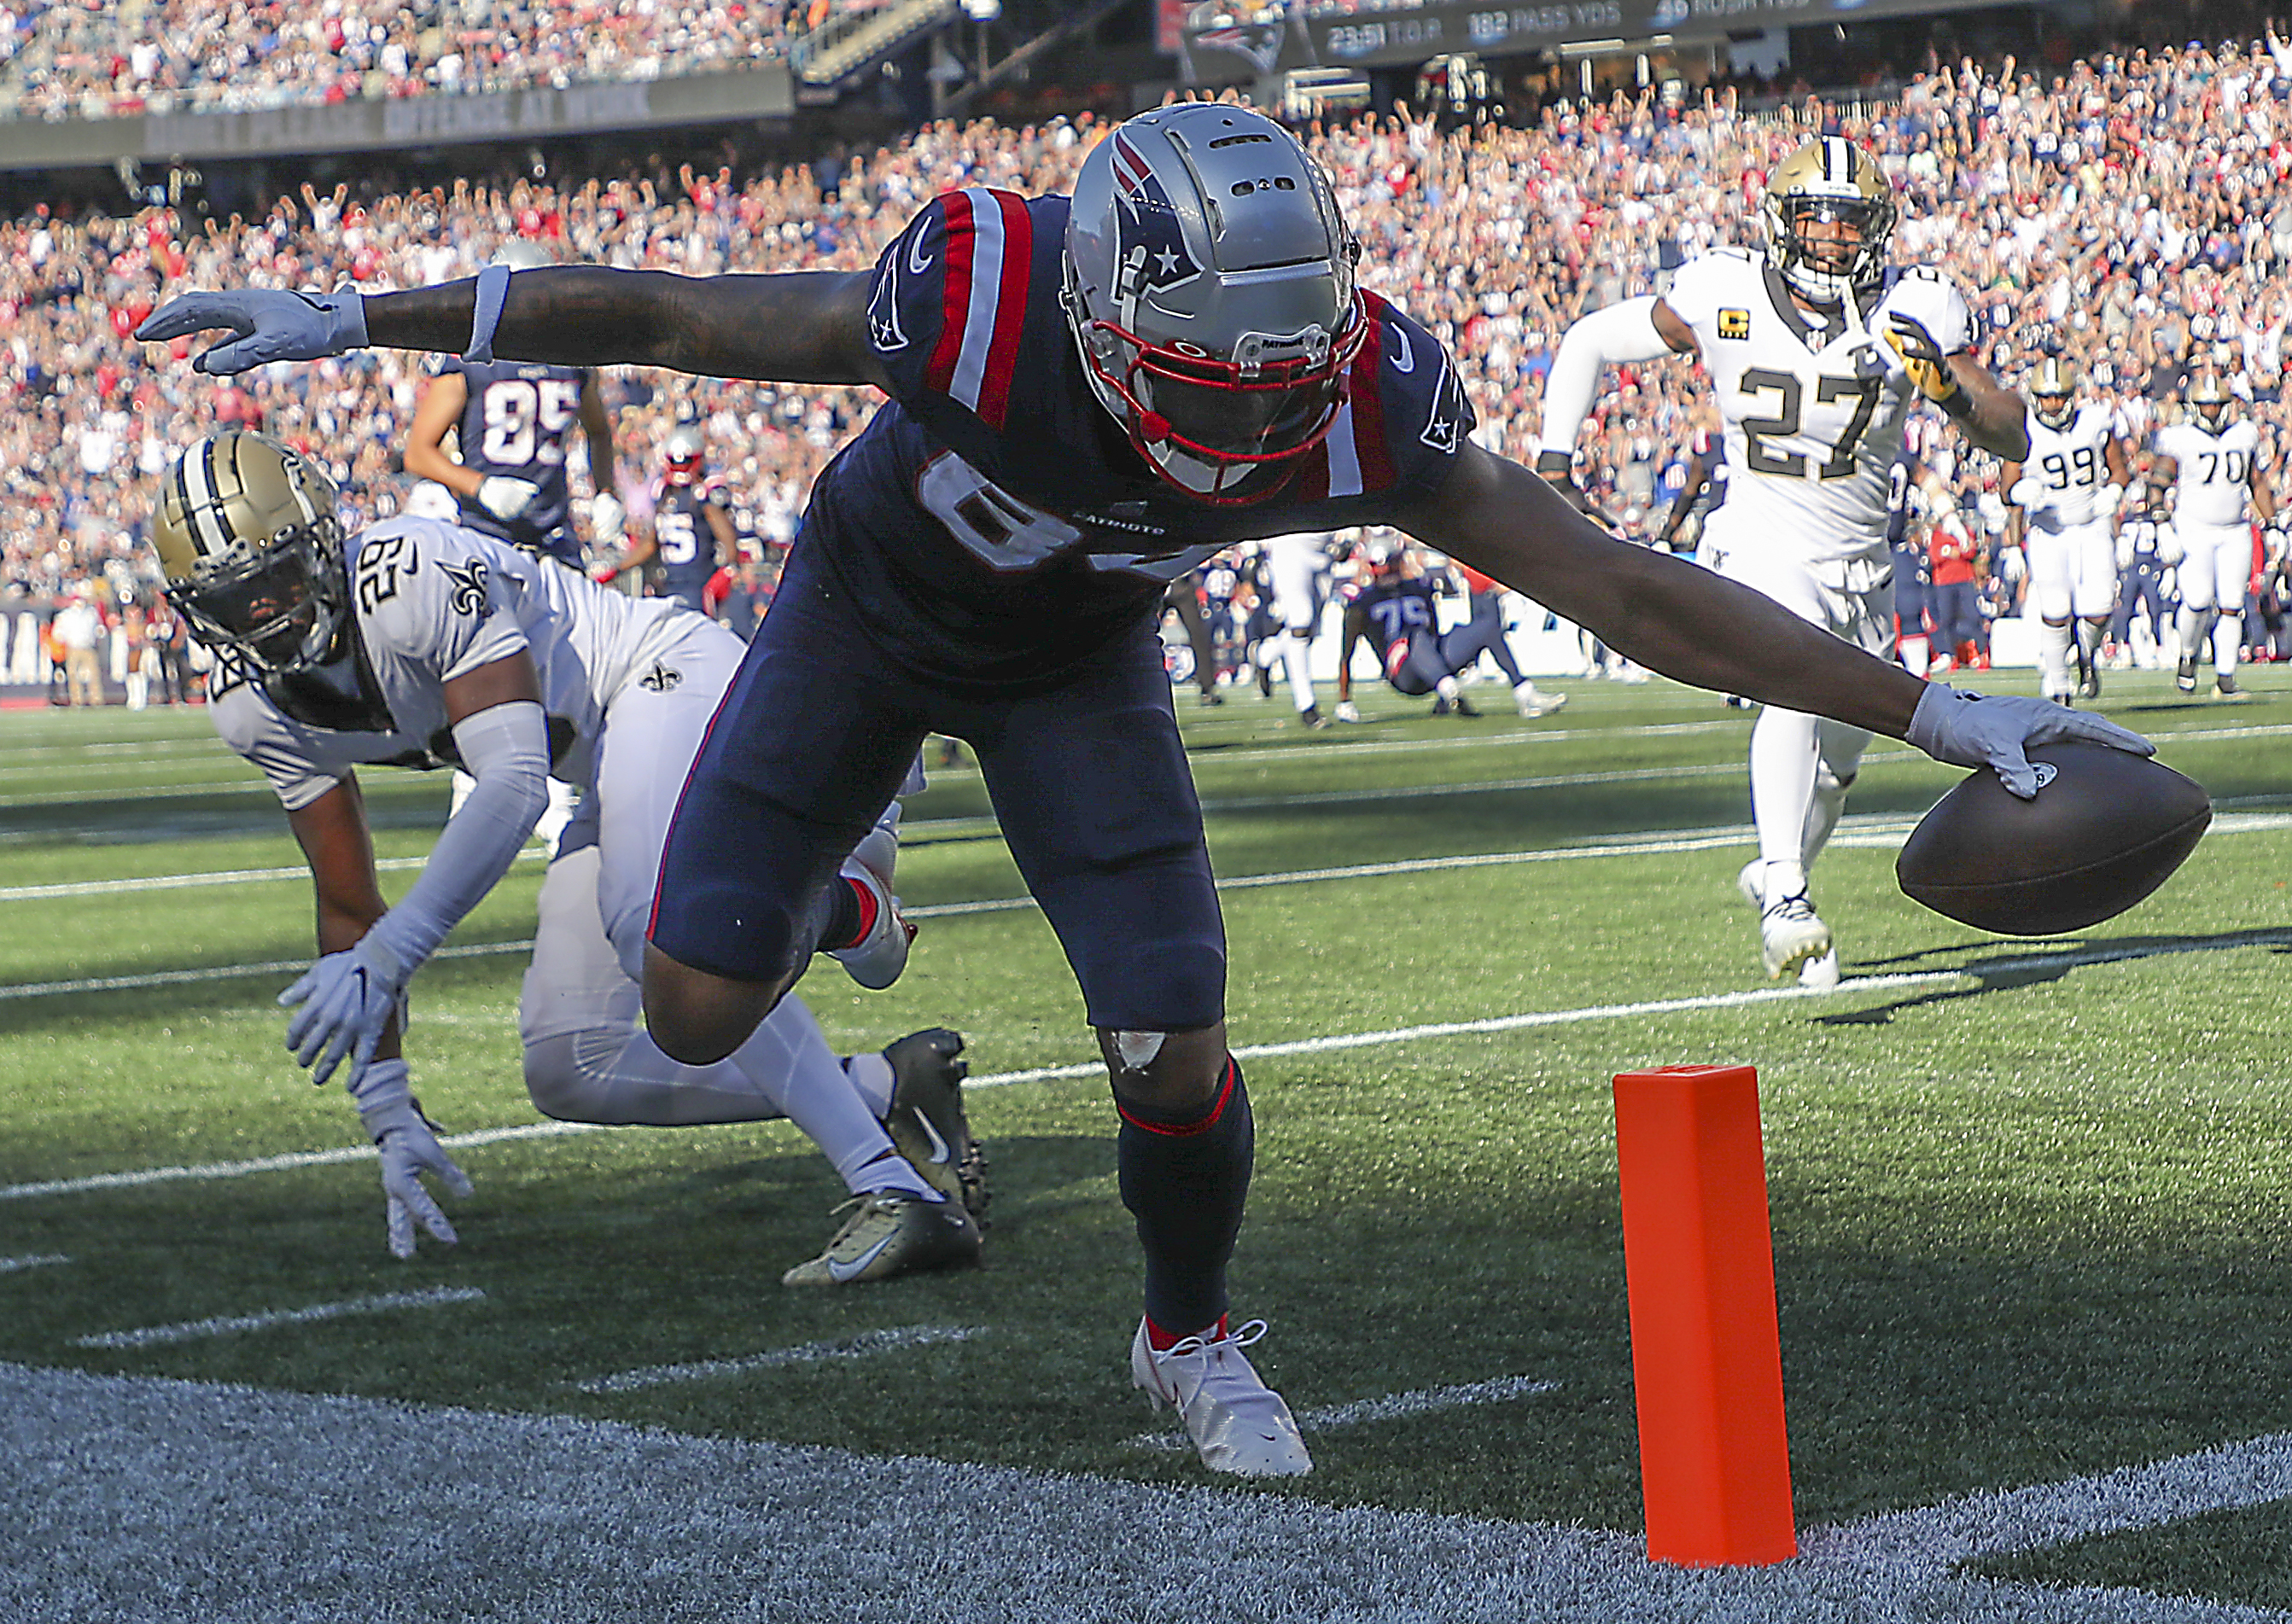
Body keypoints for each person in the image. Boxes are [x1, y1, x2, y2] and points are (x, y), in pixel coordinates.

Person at [141, 101, 2148, 1481]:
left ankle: (1184, 1330)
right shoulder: (983, 293)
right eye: (1211, 383)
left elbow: (1616, 578)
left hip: (1075, 658)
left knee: (1173, 1030)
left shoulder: (1355, 379)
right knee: (683, 1007)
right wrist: (355, 314)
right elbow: (668, 317)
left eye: (1286, 378)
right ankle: (849, 906)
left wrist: (1925, 710)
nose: (1259, 420)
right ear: (1100, 316)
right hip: (860, 614)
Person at [142, 428, 985, 1283]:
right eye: (232, 602)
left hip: (659, 677)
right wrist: (386, 1101)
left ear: (322, 539)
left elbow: (512, 783)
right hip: (603, 760)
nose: (267, 617)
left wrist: (392, 956)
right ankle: (887, 1083)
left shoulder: (409, 574)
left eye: (276, 580)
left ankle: (896, 1191)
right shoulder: (252, 706)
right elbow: (347, 903)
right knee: (571, 1064)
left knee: (646, 926)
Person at [1537, 135, 2034, 988]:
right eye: (1815, 220)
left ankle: (1776, 869)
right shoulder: (1723, 290)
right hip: (1761, 539)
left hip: (1861, 560)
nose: (1832, 241)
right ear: (1780, 222)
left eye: (1851, 226)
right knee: (1792, 675)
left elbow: (2011, 430)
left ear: (1876, 232)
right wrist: (1553, 463)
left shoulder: (1912, 306)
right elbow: (1586, 341)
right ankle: (1788, 901)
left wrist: (1945, 388)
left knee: (1840, 764)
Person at [402, 242, 624, 573]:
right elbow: (417, 453)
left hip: (554, 536)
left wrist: (605, 491)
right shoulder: (472, 362)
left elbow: (599, 432)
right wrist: (481, 486)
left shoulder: (573, 358)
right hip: (487, 534)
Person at [2004, 358, 2128, 704]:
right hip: (2049, 530)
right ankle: (2059, 687)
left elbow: (2119, 468)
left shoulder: (2095, 421)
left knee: (2101, 607)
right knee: (2056, 609)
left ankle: (2086, 653)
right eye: (2046, 397)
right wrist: (2017, 501)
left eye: (2059, 397)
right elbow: (2006, 489)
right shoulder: (2024, 429)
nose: (2053, 404)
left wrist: (2114, 491)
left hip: (2092, 523)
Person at [2152, 370, 2277, 698]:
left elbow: (2256, 482)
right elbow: (2158, 482)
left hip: (2235, 529)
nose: (2211, 411)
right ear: (2194, 406)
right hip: (2194, 528)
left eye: (2217, 405)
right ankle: (2188, 656)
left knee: (2233, 604)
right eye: (2205, 405)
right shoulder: (2179, 438)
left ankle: (2226, 679)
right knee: (2196, 600)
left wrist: (2272, 523)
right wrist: (2161, 521)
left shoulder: (2244, 434)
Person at [597, 428, 737, 615]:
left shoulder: (702, 496)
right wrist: (617, 568)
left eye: (685, 461)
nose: (680, 466)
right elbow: (649, 544)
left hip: (698, 585)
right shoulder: (665, 494)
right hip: (668, 584)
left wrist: (726, 571)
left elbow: (727, 538)